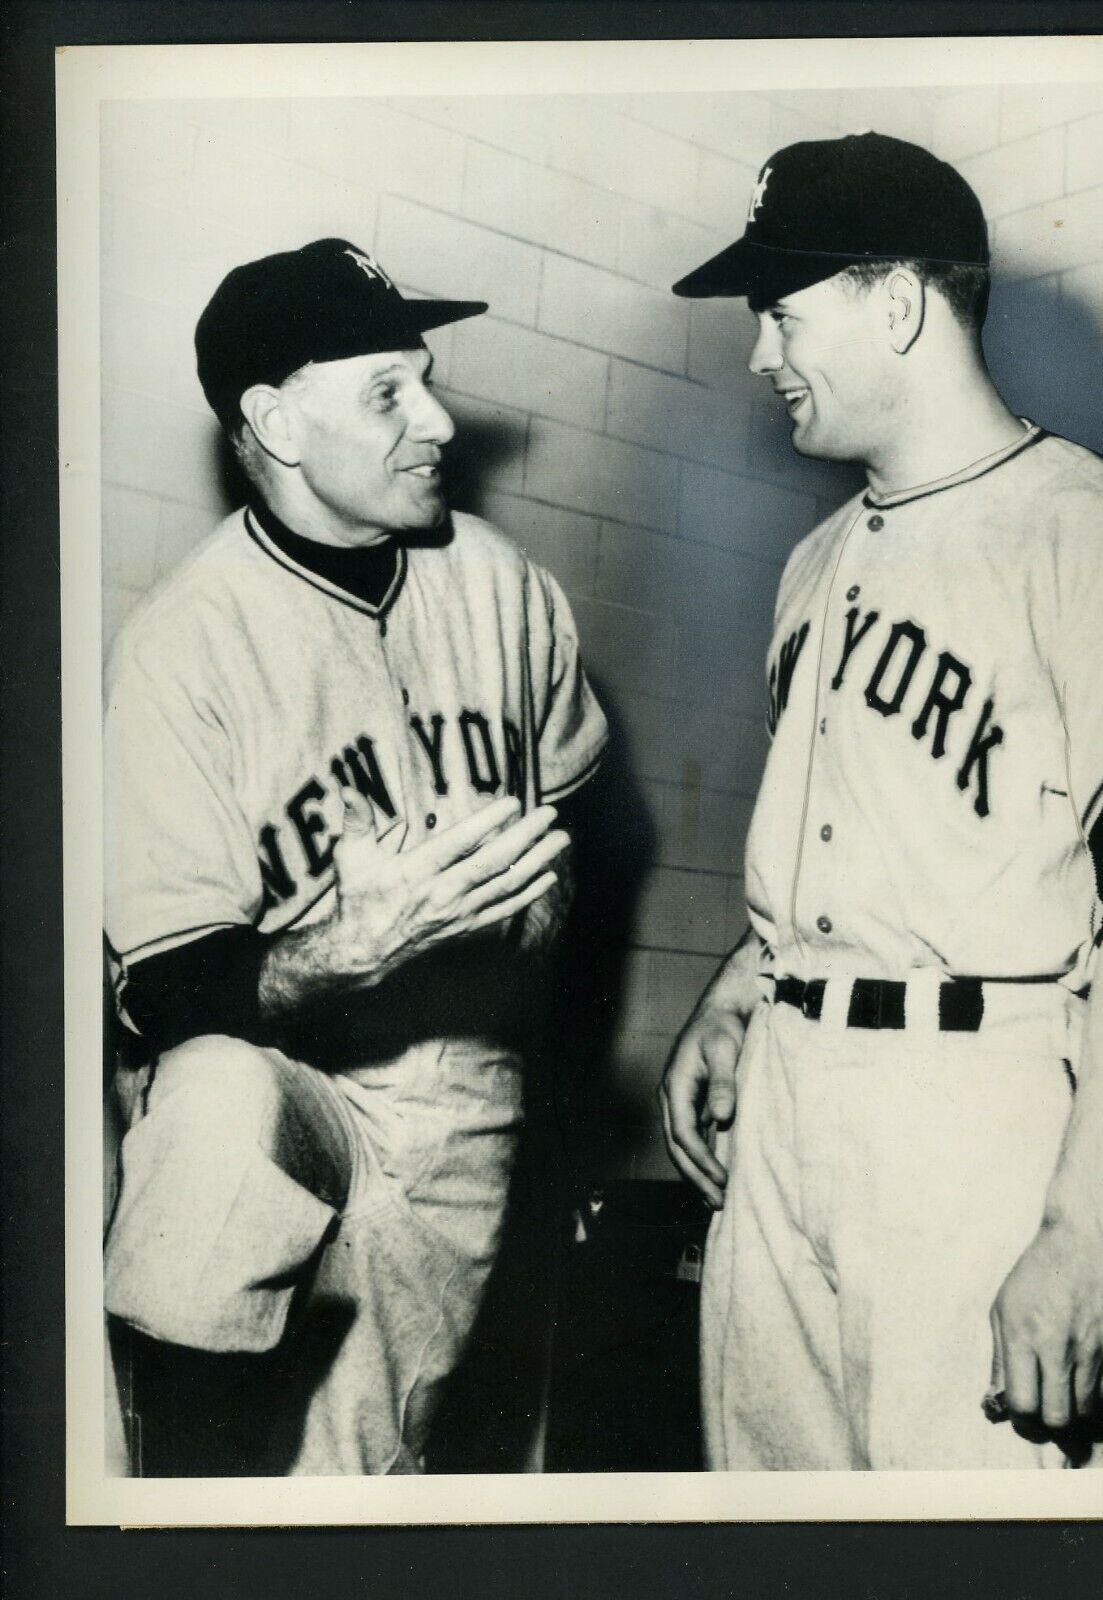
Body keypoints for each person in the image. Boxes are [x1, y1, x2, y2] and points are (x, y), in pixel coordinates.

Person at [662, 135, 1103, 1471]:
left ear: (895, 301)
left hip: (972, 1107)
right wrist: (742, 981)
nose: (761, 353)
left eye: (781, 310)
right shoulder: (813, 561)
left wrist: (1080, 1230)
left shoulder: (1088, 532)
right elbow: (877, 842)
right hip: (783, 1111)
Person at [103, 238, 608, 1475]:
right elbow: (162, 989)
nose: (436, 420)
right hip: (293, 1083)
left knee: (369, 1470)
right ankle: (153, 1455)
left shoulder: (506, 586)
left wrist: (530, 911)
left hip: (462, 1093)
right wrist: (344, 948)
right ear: (274, 423)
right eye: (387, 391)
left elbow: (576, 824)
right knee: (214, 1096)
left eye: (424, 378)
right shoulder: (182, 642)